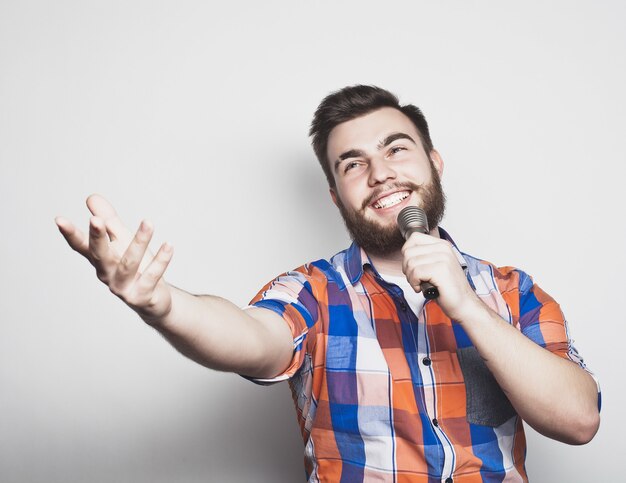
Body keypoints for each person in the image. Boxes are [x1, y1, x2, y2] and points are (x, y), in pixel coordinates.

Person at [56, 85, 600, 482]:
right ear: (336, 196)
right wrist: (161, 303)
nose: (381, 173)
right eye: (352, 164)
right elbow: (251, 337)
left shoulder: (513, 292)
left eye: (397, 149)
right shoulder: (313, 292)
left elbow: (579, 420)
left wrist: (469, 309)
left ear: (434, 163)